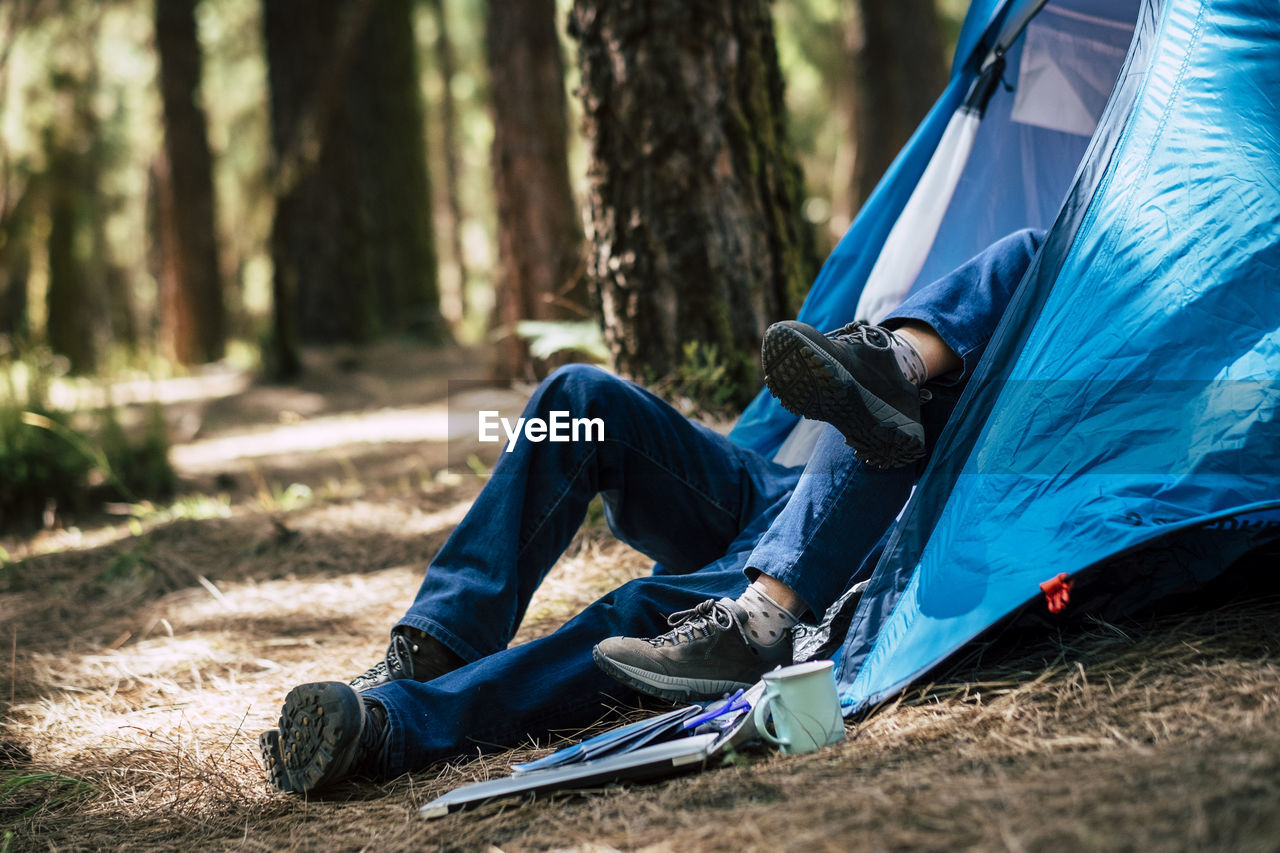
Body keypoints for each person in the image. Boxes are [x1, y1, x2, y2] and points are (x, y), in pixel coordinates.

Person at [260, 228, 1046, 794]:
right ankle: (433, 643)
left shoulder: (1100, 372)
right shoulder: (1041, 263)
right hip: (781, 482)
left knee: (638, 616)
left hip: (841, 536)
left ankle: (390, 726)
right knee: (580, 401)